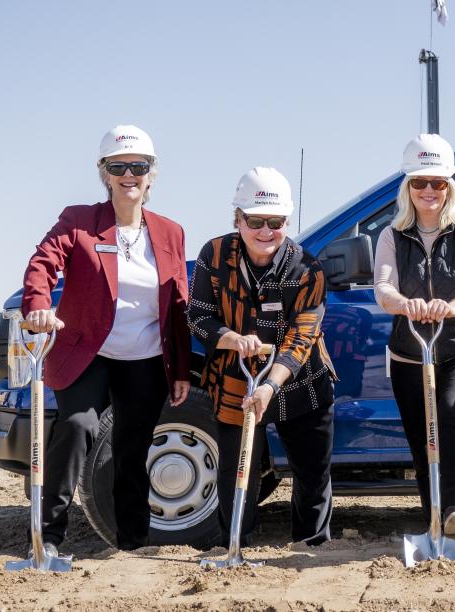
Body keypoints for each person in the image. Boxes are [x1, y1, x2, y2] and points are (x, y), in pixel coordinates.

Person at [21, 125, 191, 553]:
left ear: (152, 174)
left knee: (130, 450)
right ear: (104, 173)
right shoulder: (79, 221)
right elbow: (44, 263)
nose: (129, 174)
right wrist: (39, 305)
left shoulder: (170, 233)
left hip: (147, 358)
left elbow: (180, 305)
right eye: (119, 167)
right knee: (77, 427)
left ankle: (133, 544)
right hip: (90, 352)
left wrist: (183, 369)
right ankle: (48, 539)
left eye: (139, 166)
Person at [188, 167, 336, 547]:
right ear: (238, 219)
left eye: (276, 221)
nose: (266, 231)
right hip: (237, 377)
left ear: (287, 221)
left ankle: (311, 544)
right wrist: (231, 339)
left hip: (299, 378)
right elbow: (198, 314)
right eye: (255, 221)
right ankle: (235, 541)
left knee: (312, 470)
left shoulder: (308, 269)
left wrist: (271, 384)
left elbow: (303, 337)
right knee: (237, 467)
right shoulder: (214, 255)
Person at [373, 134, 455, 537]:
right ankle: (435, 520)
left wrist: (452, 306)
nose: (429, 190)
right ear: (408, 187)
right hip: (411, 350)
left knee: (447, 410)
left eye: (438, 183)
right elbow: (384, 289)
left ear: (450, 187)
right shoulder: (392, 236)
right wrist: (406, 305)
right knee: (422, 434)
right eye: (420, 182)